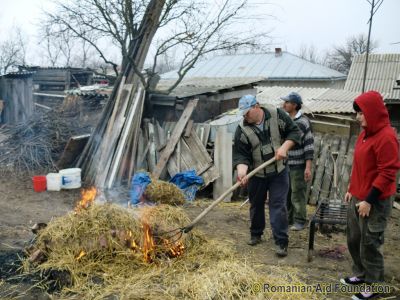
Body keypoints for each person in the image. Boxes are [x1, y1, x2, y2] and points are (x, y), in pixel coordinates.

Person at [340, 91, 400, 300]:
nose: (358, 117)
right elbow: (360, 166)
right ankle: (361, 274)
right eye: (357, 113)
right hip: (358, 196)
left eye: (361, 113)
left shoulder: (387, 137)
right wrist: (351, 188)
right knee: (354, 239)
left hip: (375, 200)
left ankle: (375, 285)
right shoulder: (365, 133)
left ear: (373, 112)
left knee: (370, 242)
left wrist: (369, 200)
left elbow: (388, 172)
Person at [233, 94, 301, 257]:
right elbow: (241, 155)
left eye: (247, 112)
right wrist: (242, 171)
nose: (244, 116)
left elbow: (294, 132)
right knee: (256, 205)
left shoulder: (277, 115)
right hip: (257, 174)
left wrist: (285, 147)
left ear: (256, 107)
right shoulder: (242, 129)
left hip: (279, 171)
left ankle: (281, 242)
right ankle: (256, 234)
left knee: (278, 205)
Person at [282, 92, 314, 231]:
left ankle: (300, 220)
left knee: (297, 193)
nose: (284, 104)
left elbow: (308, 146)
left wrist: (308, 167)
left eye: (287, 102)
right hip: (287, 164)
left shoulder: (301, 122)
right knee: (287, 193)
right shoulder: (287, 120)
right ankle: (289, 219)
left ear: (294, 105)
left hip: (298, 164)